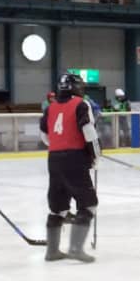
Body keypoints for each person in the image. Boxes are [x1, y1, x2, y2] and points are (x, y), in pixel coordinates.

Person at [39, 73, 100, 263]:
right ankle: (75, 249)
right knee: (88, 204)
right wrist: (95, 155)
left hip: (54, 159)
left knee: (57, 207)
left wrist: (59, 146)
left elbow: (44, 135)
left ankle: (52, 251)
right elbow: (88, 132)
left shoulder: (50, 108)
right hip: (75, 158)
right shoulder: (81, 104)